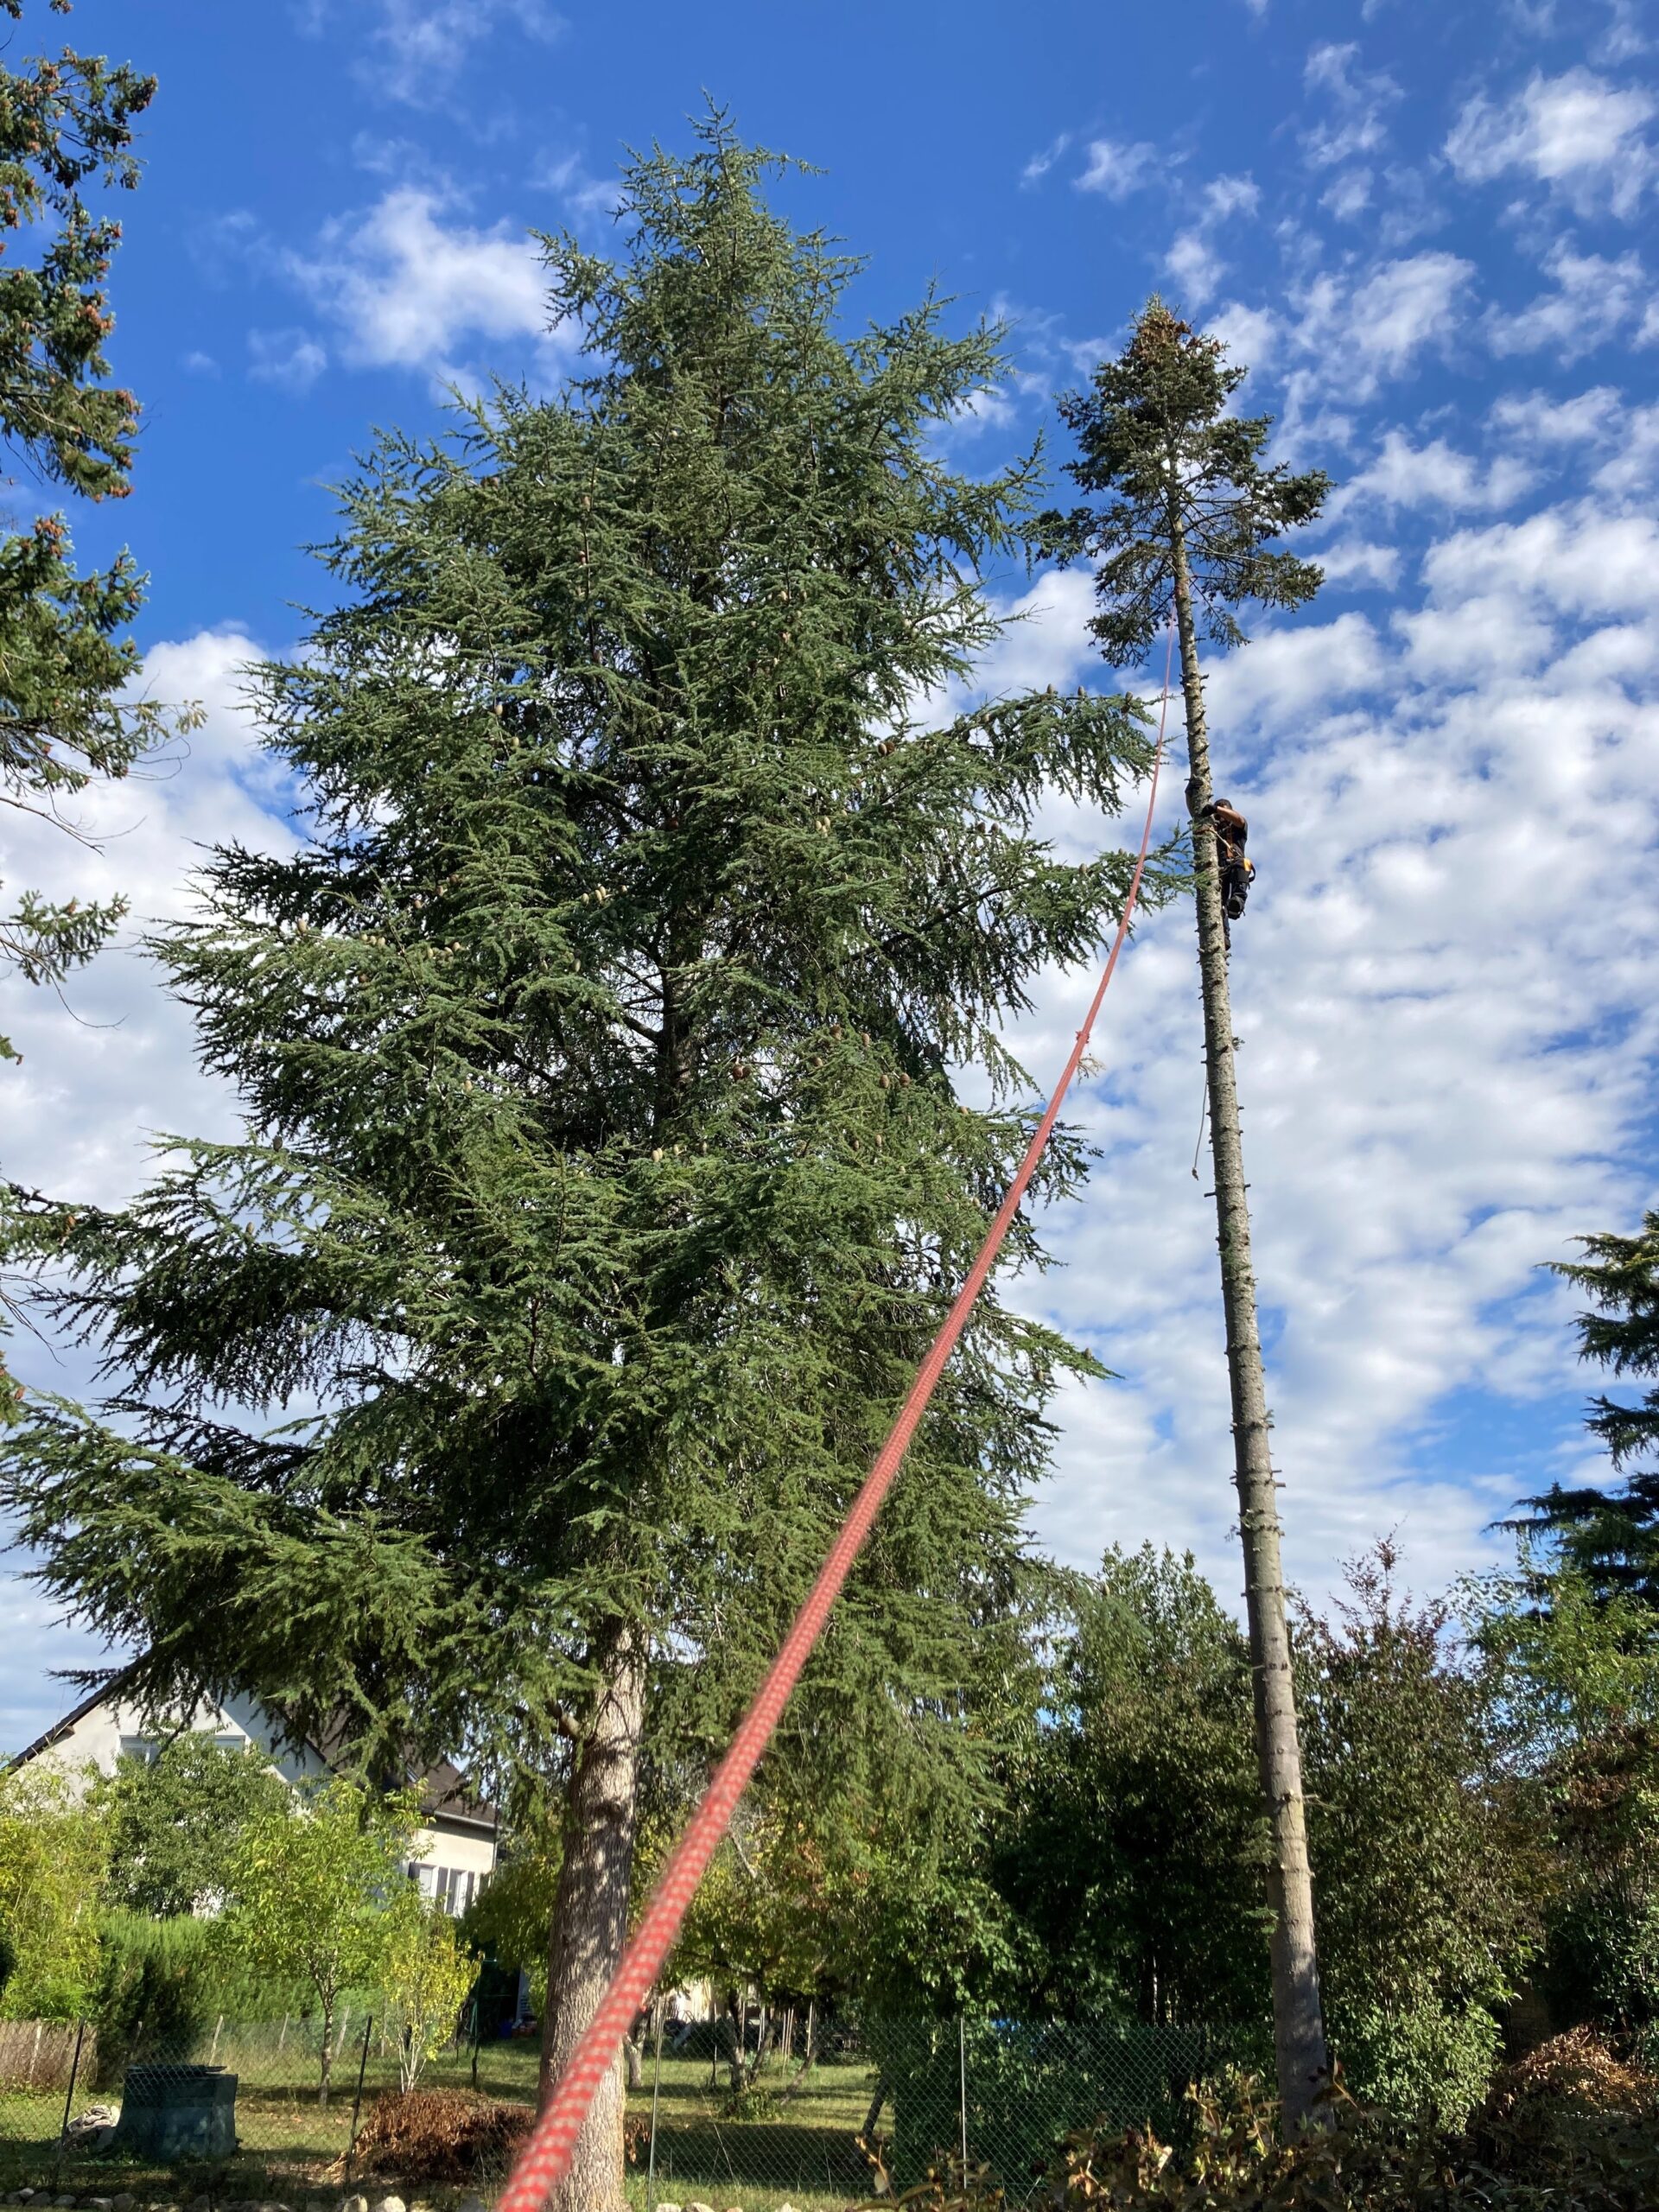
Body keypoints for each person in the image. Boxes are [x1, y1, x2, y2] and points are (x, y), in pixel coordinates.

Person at [1205, 797, 1254, 935]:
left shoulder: (1238, 828)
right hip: (1218, 870)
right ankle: (1223, 934)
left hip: (1235, 864)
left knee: (1244, 863)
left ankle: (1238, 900)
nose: (1221, 816)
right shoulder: (1212, 832)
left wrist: (1216, 809)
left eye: (1224, 810)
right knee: (1218, 903)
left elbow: (1239, 820)